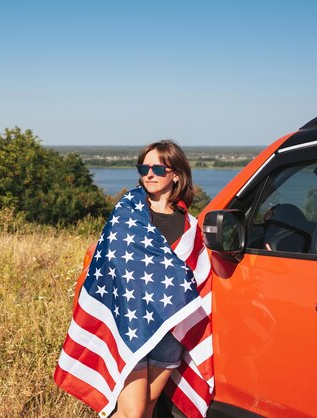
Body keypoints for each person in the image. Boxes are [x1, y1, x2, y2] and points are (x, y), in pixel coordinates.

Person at [113, 139, 194, 418]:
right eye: (144, 167)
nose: (149, 174)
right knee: (132, 412)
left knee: (147, 409)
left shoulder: (189, 224)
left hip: (170, 328)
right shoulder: (129, 211)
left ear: (176, 174)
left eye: (158, 169)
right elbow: (111, 260)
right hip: (132, 324)